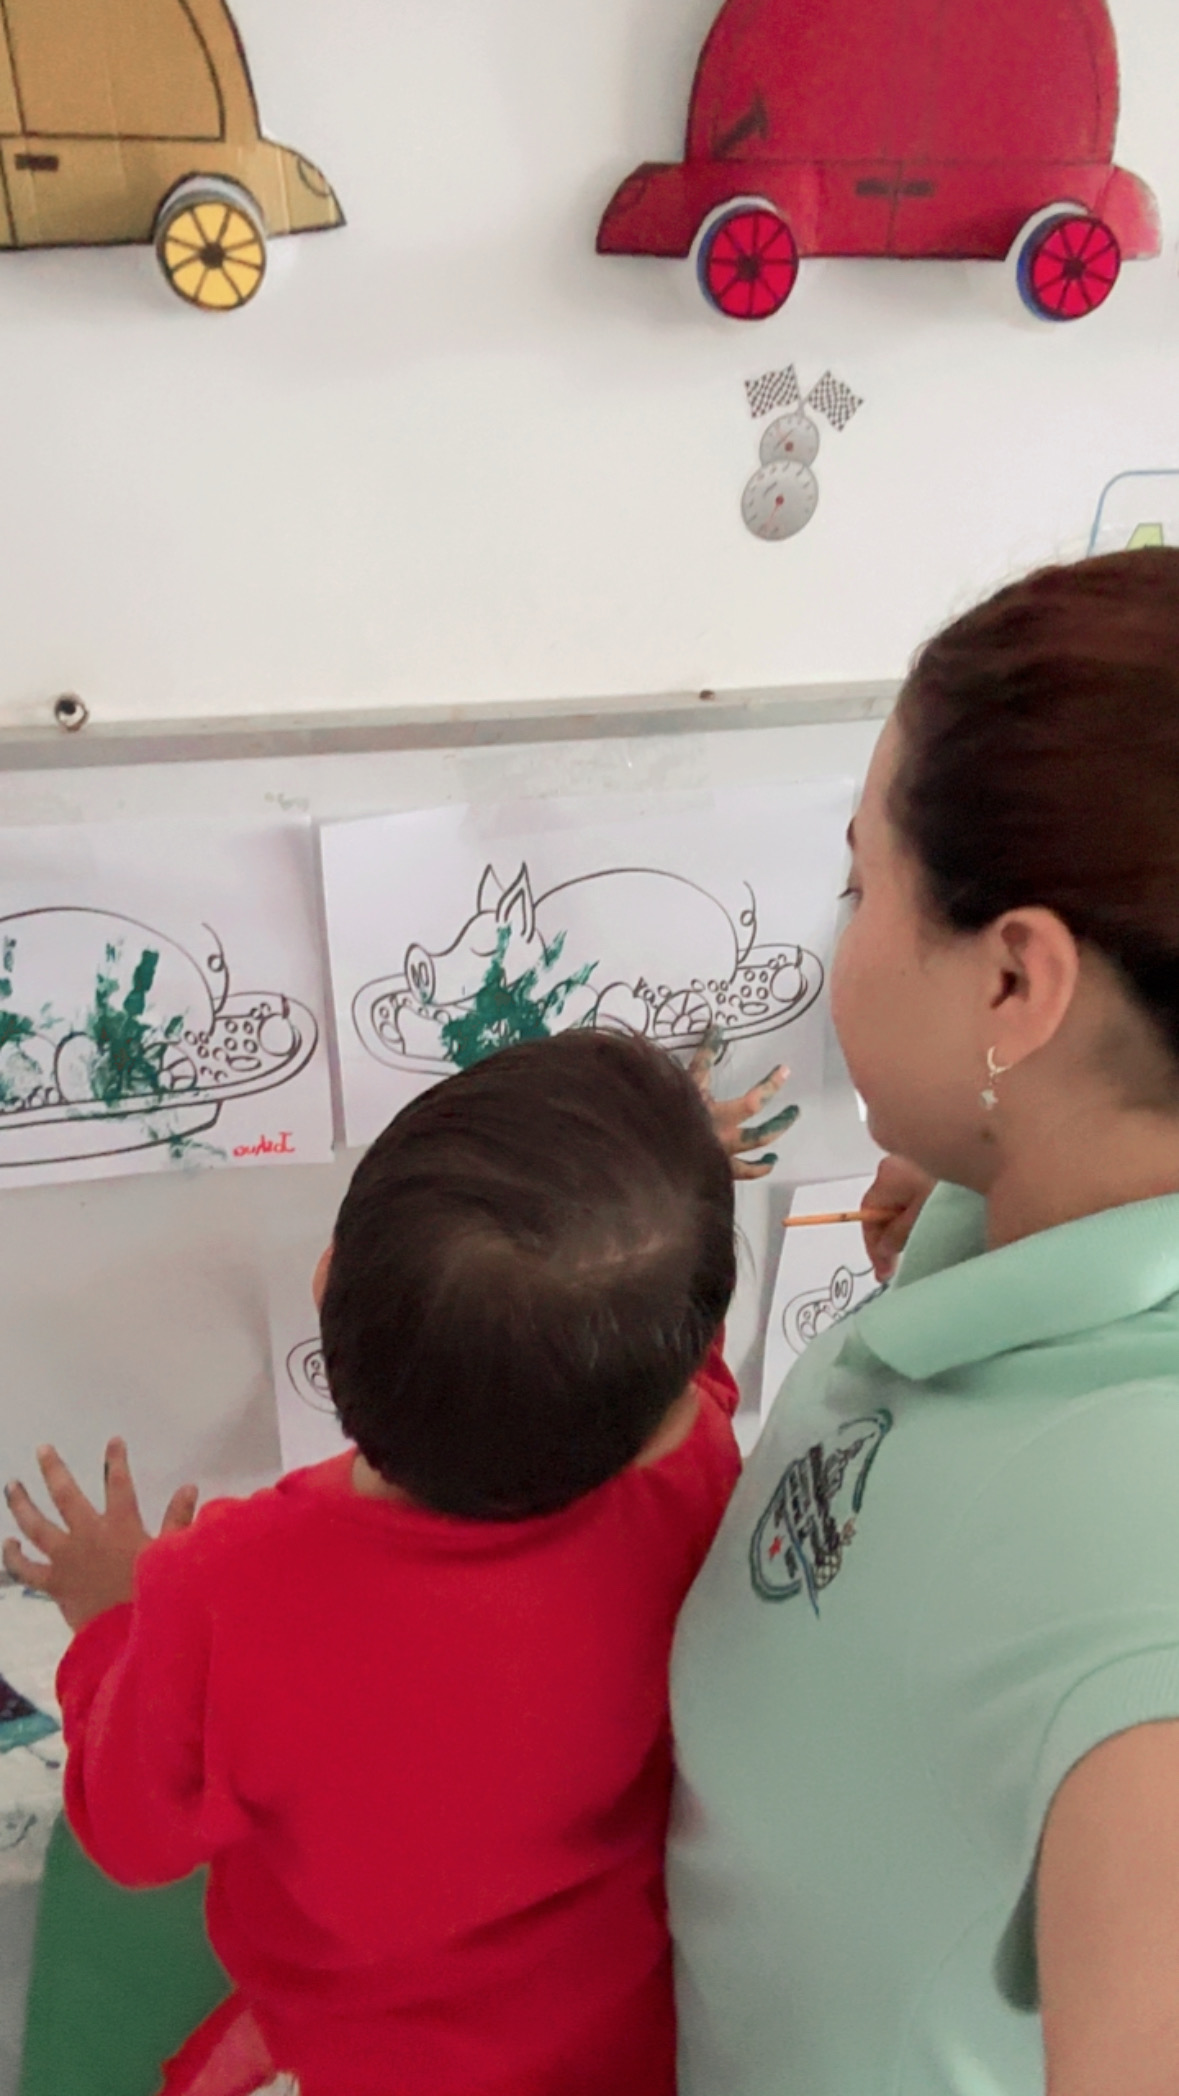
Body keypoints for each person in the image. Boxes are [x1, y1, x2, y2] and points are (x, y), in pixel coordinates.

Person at [2, 1027, 789, 2096]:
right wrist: (683, 1203)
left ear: (327, 1281)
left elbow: (132, 1833)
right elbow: (681, 1370)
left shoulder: (226, 1588)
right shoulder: (689, 1468)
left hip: (375, 2056)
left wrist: (108, 1622)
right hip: (627, 2029)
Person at [669, 545, 1179, 2096]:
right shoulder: (1008, 1222)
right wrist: (973, 1183)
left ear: (1013, 984)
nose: (840, 935)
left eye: (858, 884)